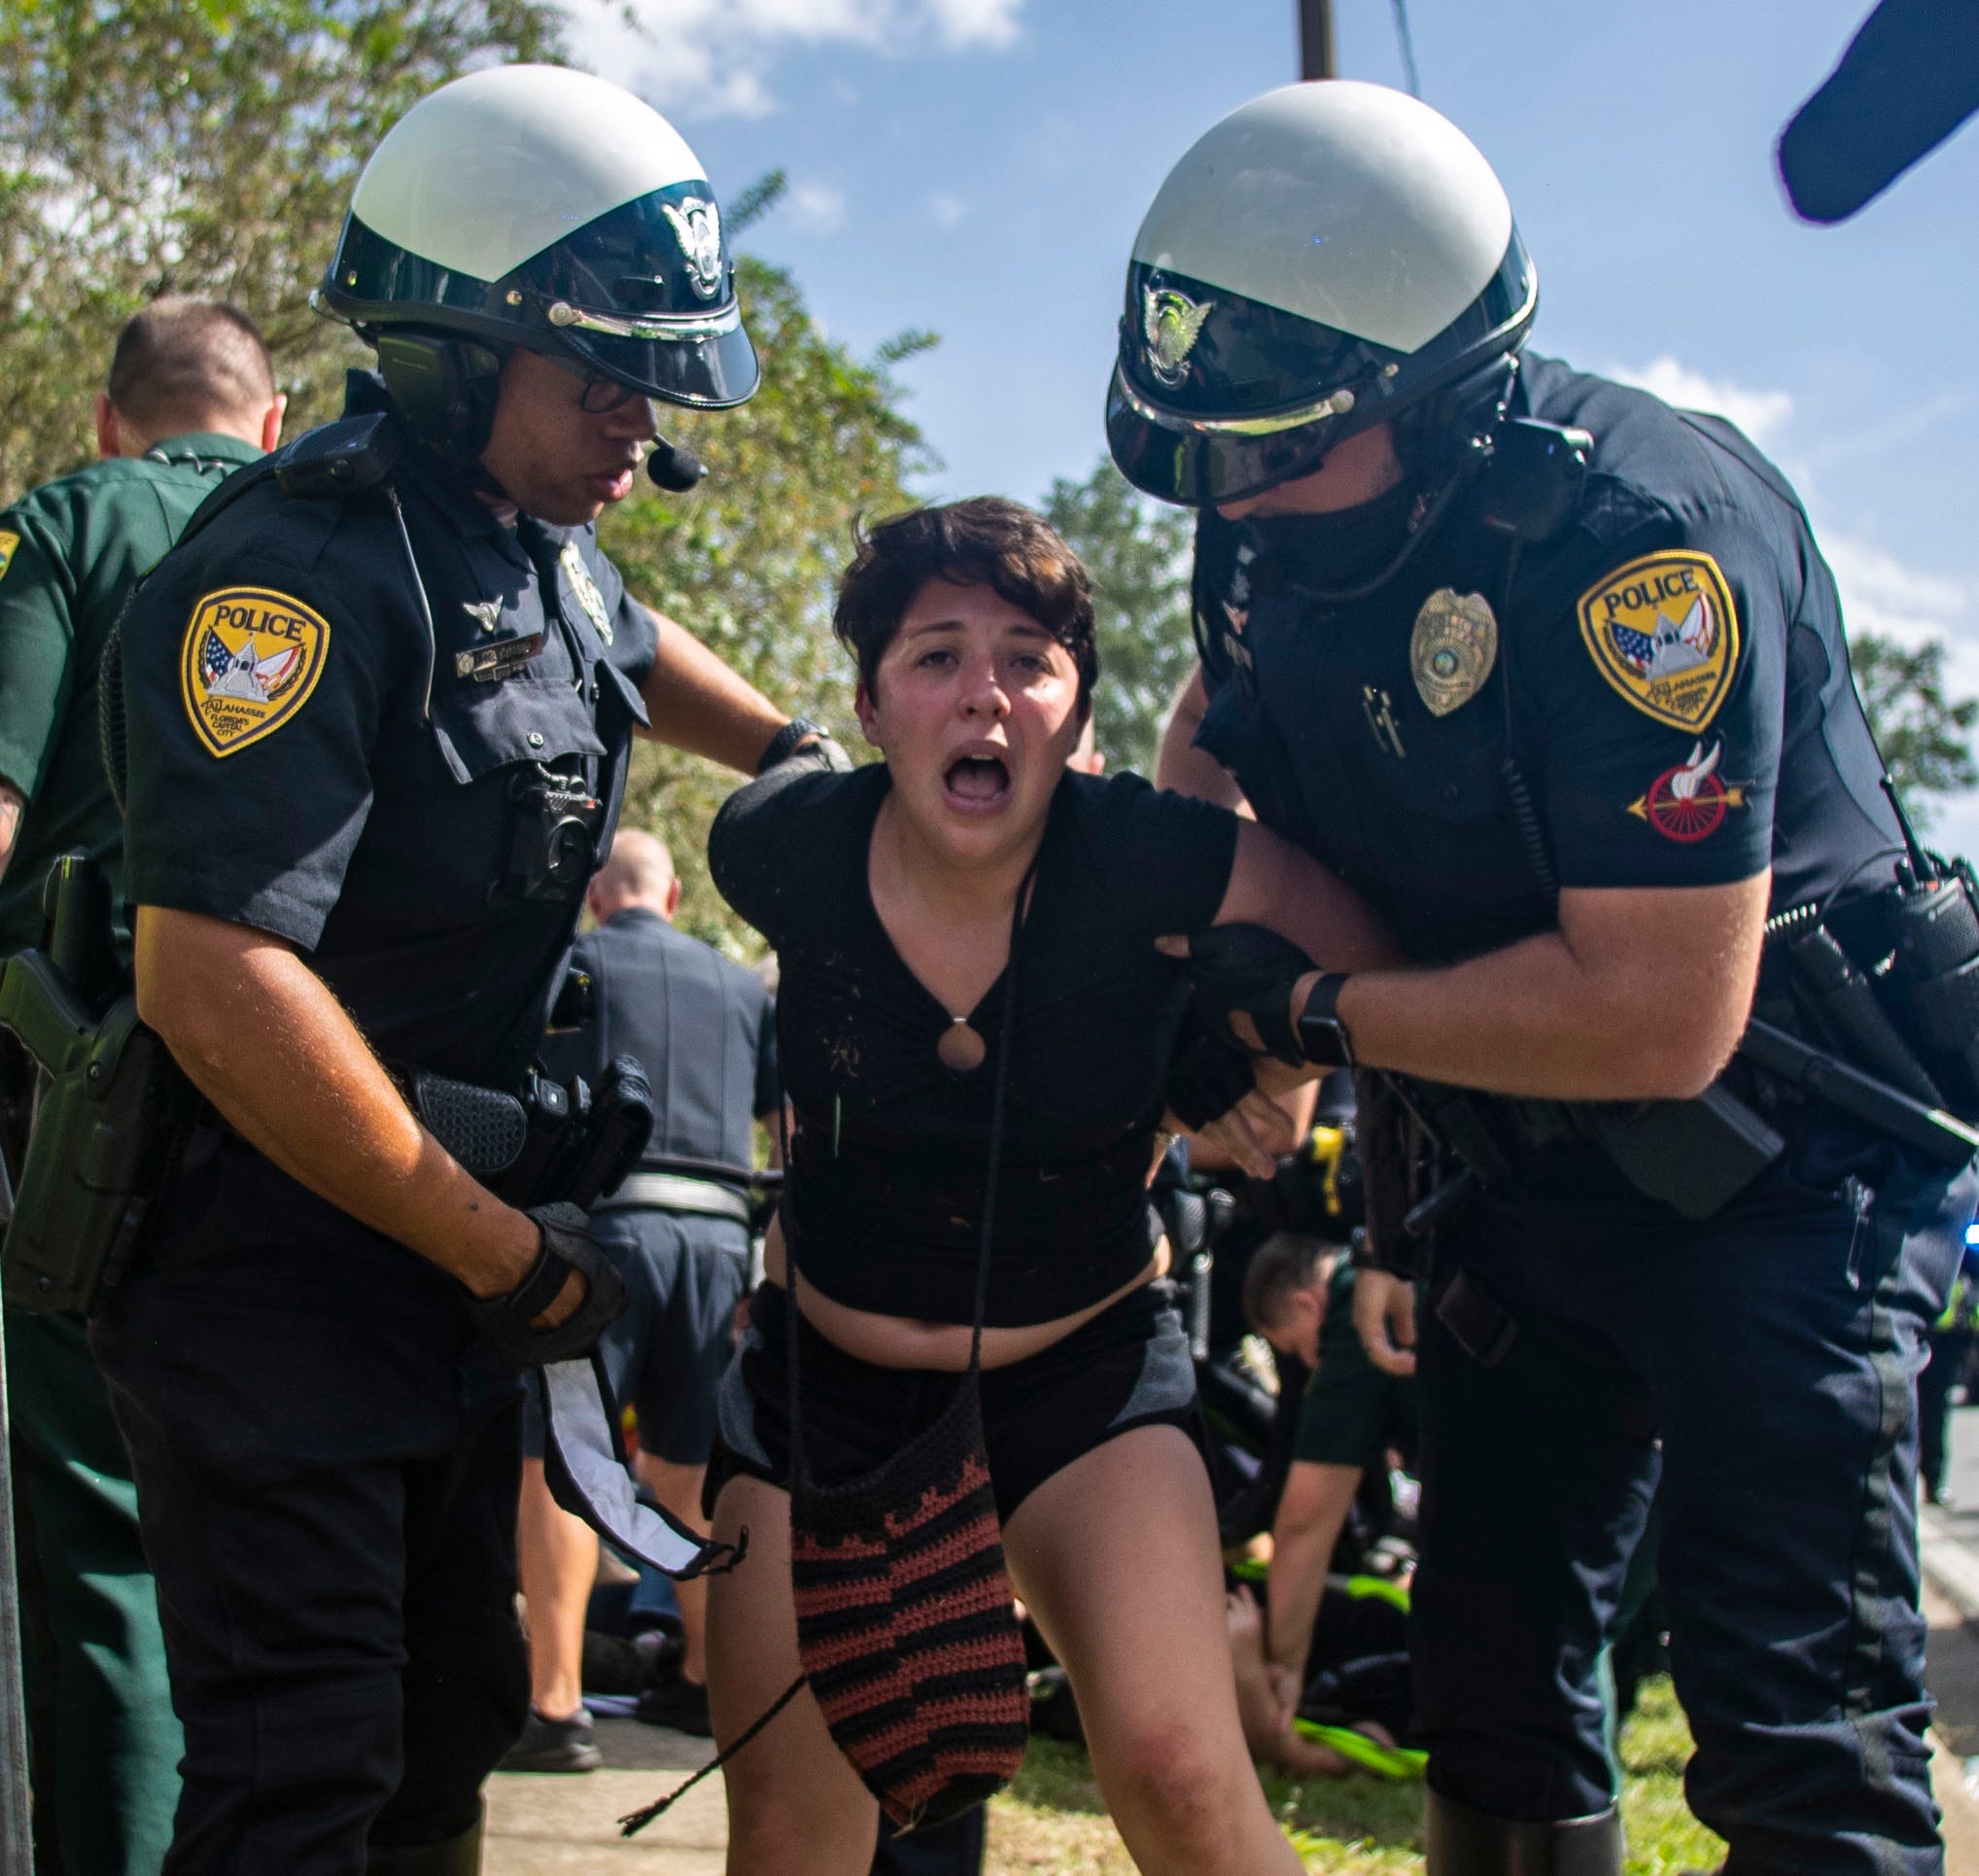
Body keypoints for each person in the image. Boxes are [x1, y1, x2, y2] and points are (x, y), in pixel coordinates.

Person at [1110, 78, 1978, 1875]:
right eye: (1211, 454)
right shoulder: (1252, 491)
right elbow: (1218, 720)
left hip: (1773, 1181)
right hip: (1517, 1177)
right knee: (1489, 1688)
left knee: (1796, 1734)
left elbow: (1657, 1017)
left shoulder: (1634, 546)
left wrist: (1309, 1014)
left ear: (1435, 399)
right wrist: (1195, 924)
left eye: (1279, 452)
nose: (1237, 493)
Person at [86, 65, 816, 1876]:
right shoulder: (305, 574)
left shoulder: (531, 552)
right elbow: (214, 975)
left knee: (442, 1732)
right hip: (273, 1285)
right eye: (602, 377)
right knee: (301, 1778)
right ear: (457, 348)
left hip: (428, 1280)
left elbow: (639, 642)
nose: (639, 423)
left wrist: (806, 765)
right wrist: (505, 1257)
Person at [700, 496, 1393, 1876]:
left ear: (1076, 714)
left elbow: (1371, 957)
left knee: (1184, 1773)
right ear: (874, 702)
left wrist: (1252, 1037)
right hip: (818, 1395)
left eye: (1029, 657)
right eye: (937, 655)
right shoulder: (779, 846)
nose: (986, 694)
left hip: (1083, 1378)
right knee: (796, 1828)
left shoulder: (1150, 849)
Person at [0, 295, 284, 1876]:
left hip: (82, 1116)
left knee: (103, 1537)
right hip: (330, 1115)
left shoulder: (65, 522)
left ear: (114, 420)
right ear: (268, 421)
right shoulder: (338, 535)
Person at [504, 828, 779, 1769]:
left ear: (594, 900)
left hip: (599, 1234)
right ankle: (703, 1682)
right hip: (714, 1242)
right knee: (690, 1465)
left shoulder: (566, 968)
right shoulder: (742, 989)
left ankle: (556, 1705)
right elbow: (778, 1117)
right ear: (670, 901)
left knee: (558, 1458)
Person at [1240, 1232, 1416, 1711]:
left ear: (1306, 1305)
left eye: (1299, 1348)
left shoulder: (1352, 1312)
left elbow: (1305, 1521)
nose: (1310, 1362)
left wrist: (1284, 1672)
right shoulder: (1400, 1261)